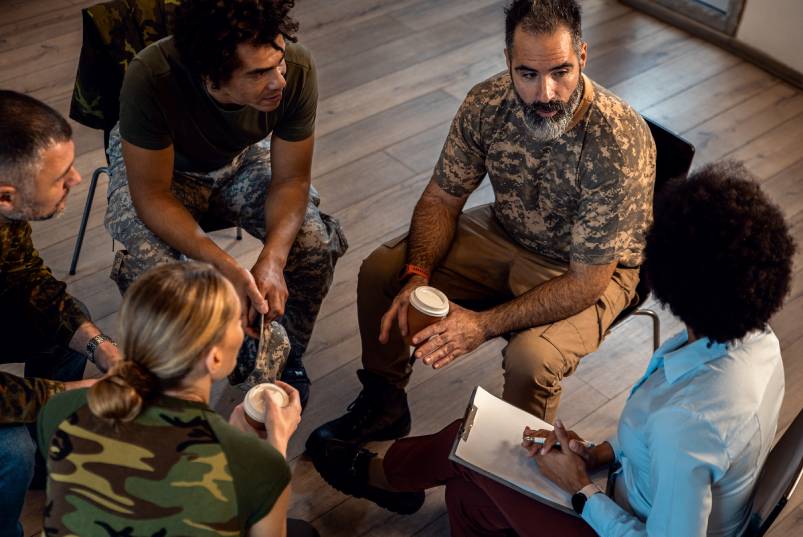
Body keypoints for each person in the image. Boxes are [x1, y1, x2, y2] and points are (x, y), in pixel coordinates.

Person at [311, 160, 795, 536]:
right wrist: (595, 452)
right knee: (471, 492)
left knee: (478, 445)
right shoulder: (756, 343)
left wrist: (581, 490)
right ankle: (389, 479)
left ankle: (380, 477)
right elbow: (669, 452)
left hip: (620, 516)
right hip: (632, 488)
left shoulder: (686, 424)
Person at [309, 0, 656, 450]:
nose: (546, 93)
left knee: (533, 359)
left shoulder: (617, 141)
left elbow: (587, 282)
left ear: (583, 57)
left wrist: (482, 325)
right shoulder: (486, 102)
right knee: (383, 270)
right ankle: (384, 402)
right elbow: (441, 197)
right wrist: (417, 275)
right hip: (505, 230)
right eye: (528, 73)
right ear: (508, 61)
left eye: (561, 72)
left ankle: (513, 470)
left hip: (588, 269)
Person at [104, 0, 347, 405]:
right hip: (164, 171)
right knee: (153, 271)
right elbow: (151, 196)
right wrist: (226, 266)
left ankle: (281, 356)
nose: (279, 82)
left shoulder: (296, 69)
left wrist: (272, 258)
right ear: (210, 78)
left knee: (312, 244)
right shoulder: (151, 76)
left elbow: (291, 179)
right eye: (258, 73)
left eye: (279, 63)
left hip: (242, 157)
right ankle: (173, 380)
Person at [37, 261, 314, 536]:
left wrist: (233, 437)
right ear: (214, 358)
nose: (244, 329)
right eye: (237, 321)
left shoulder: (58, 409)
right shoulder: (258, 465)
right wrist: (276, 445)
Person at [0, 90, 121, 537]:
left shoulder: (5, 212)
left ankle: (49, 464)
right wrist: (77, 392)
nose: (75, 179)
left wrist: (101, 347)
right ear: (7, 196)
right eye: (59, 177)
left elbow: (29, 281)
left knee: (69, 322)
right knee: (7, 448)